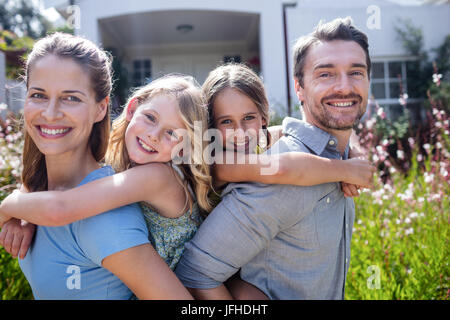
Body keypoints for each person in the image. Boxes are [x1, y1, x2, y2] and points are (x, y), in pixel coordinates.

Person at [174, 17, 373, 299]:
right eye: (325, 74)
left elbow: (286, 131)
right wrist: (344, 169)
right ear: (299, 88)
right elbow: (196, 274)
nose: (344, 86)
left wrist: (347, 151)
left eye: (356, 72)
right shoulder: (227, 164)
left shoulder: (272, 142)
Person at [0, 32, 192, 299]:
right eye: (39, 95)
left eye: (71, 98)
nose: (51, 113)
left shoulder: (104, 218)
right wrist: (22, 207)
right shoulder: (36, 197)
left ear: (101, 108)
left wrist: (8, 207)